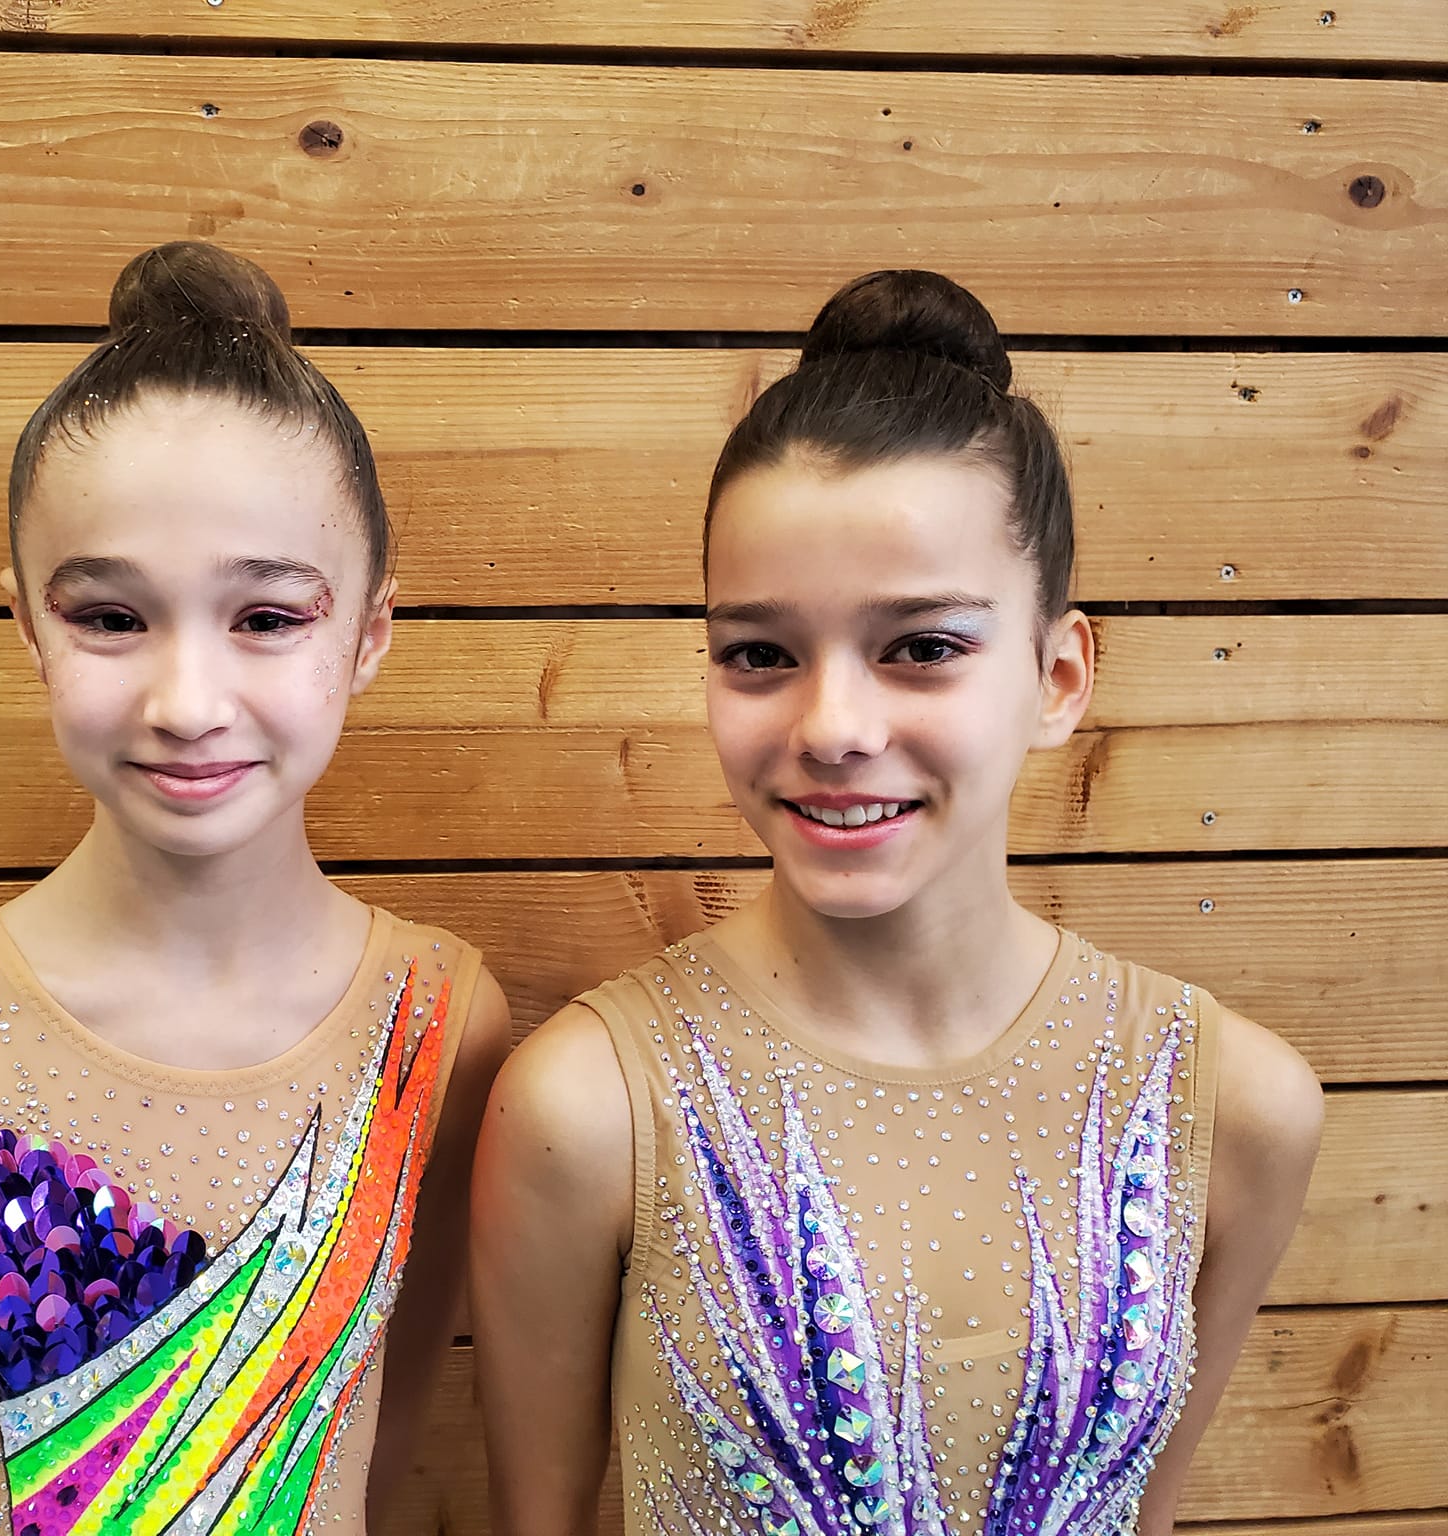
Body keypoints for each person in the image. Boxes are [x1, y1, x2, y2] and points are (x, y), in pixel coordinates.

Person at [470, 270, 1322, 1536]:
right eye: (759, 653)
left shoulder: (1234, 1105)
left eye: (920, 646)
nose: (832, 728)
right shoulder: (587, 1108)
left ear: (1057, 675)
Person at [0, 241, 510, 1536]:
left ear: (368, 634)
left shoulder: (441, 1027)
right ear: (27, 625)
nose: (186, 702)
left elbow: (369, 1433)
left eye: (266, 618)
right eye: (111, 619)